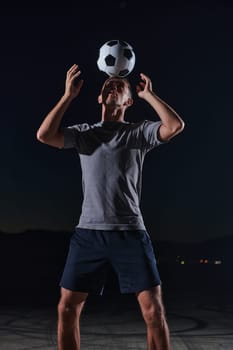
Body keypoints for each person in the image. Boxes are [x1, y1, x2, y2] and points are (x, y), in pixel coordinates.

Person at [36, 63, 185, 350]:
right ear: (100, 99)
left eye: (120, 86)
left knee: (154, 312)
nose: (112, 86)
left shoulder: (139, 133)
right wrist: (68, 96)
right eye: (107, 86)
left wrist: (150, 96)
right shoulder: (83, 133)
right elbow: (44, 135)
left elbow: (174, 126)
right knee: (66, 309)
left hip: (130, 233)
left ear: (128, 101)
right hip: (88, 234)